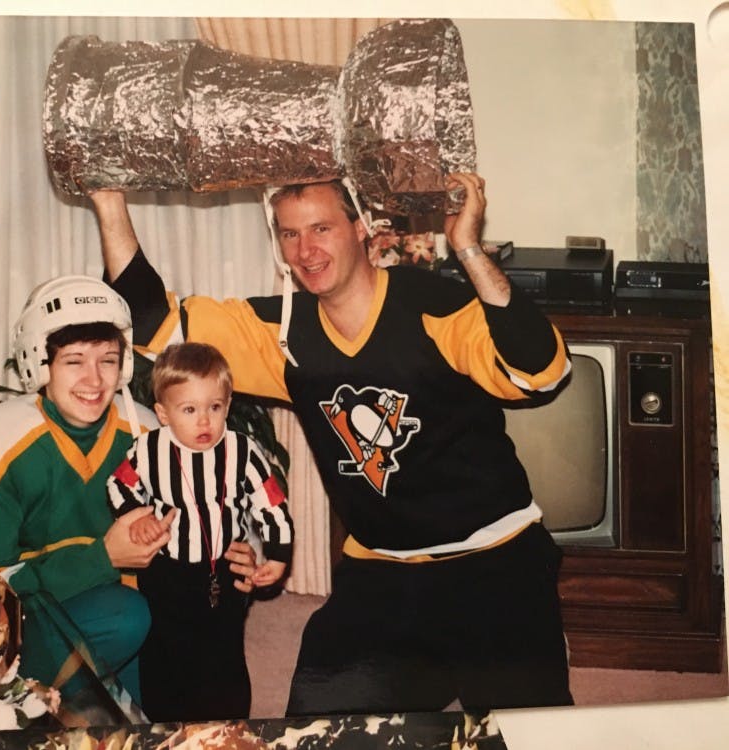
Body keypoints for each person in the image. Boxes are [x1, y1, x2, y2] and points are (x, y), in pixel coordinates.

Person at [88, 173, 575, 715]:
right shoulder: (284, 331)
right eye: (290, 234)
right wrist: (109, 200)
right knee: (317, 727)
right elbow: (157, 324)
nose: (307, 249)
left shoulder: (436, 305)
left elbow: (542, 372)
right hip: (383, 568)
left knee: (530, 730)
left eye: (321, 228)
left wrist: (468, 249)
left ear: (361, 226)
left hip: (494, 558)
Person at [0, 276, 258, 707]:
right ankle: (15, 711)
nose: (94, 378)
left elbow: (212, 510)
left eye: (107, 360)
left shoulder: (147, 431)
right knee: (125, 616)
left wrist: (239, 553)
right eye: (74, 361)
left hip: (102, 618)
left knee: (172, 656)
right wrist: (101, 559)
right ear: (40, 363)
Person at [106, 341, 294, 721]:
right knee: (163, 651)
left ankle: (227, 728)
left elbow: (271, 502)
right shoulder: (148, 449)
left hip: (221, 570)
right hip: (166, 570)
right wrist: (137, 515)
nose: (205, 421)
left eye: (215, 407)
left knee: (222, 653)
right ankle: (167, 727)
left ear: (227, 404)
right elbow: (118, 485)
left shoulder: (243, 451)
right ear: (163, 413)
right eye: (189, 410)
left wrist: (278, 555)